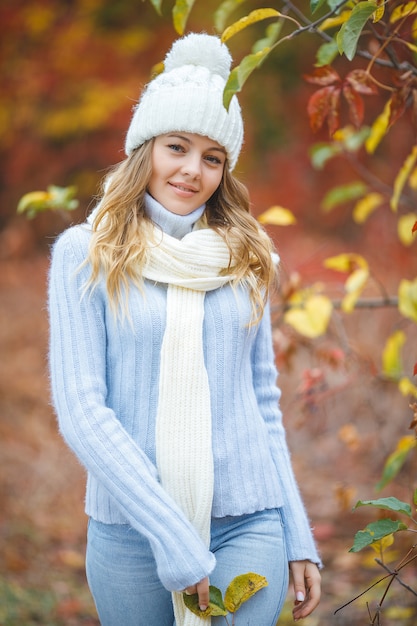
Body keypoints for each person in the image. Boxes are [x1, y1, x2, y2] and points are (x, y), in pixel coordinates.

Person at [48, 32, 321, 626]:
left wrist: (296, 532)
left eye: (213, 157)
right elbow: (83, 410)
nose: (192, 170)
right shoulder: (85, 254)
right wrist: (172, 534)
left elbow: (261, 403)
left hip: (248, 522)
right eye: (177, 147)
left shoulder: (248, 258)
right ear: (145, 148)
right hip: (131, 531)